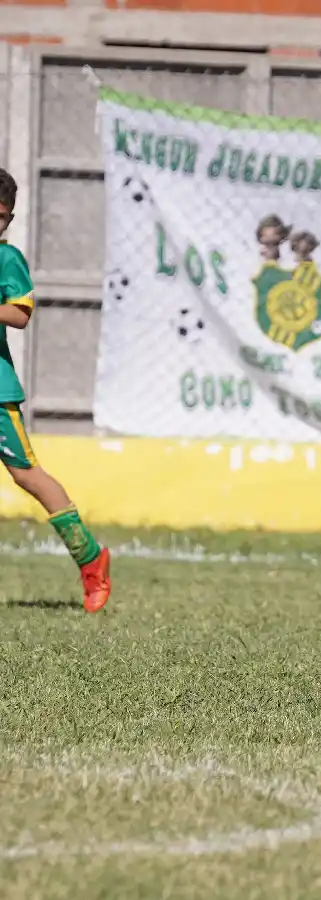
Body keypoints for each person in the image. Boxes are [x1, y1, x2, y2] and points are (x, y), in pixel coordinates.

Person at [0, 168, 110, 612]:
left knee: (26, 474)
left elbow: (21, 314)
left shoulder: (8, 259)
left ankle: (91, 560)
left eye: (2, 216)